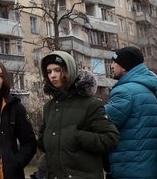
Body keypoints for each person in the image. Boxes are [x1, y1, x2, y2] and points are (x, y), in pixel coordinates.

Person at [37, 51, 119, 179]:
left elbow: (110, 138)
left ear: (69, 70)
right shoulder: (49, 107)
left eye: (57, 70)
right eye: (49, 72)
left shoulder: (91, 105)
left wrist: (77, 136)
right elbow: (45, 144)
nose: (52, 75)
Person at [104, 45, 157, 179]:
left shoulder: (124, 91)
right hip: (151, 168)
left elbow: (103, 123)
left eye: (114, 62)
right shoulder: (149, 88)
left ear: (124, 67)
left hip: (130, 169)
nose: (112, 66)